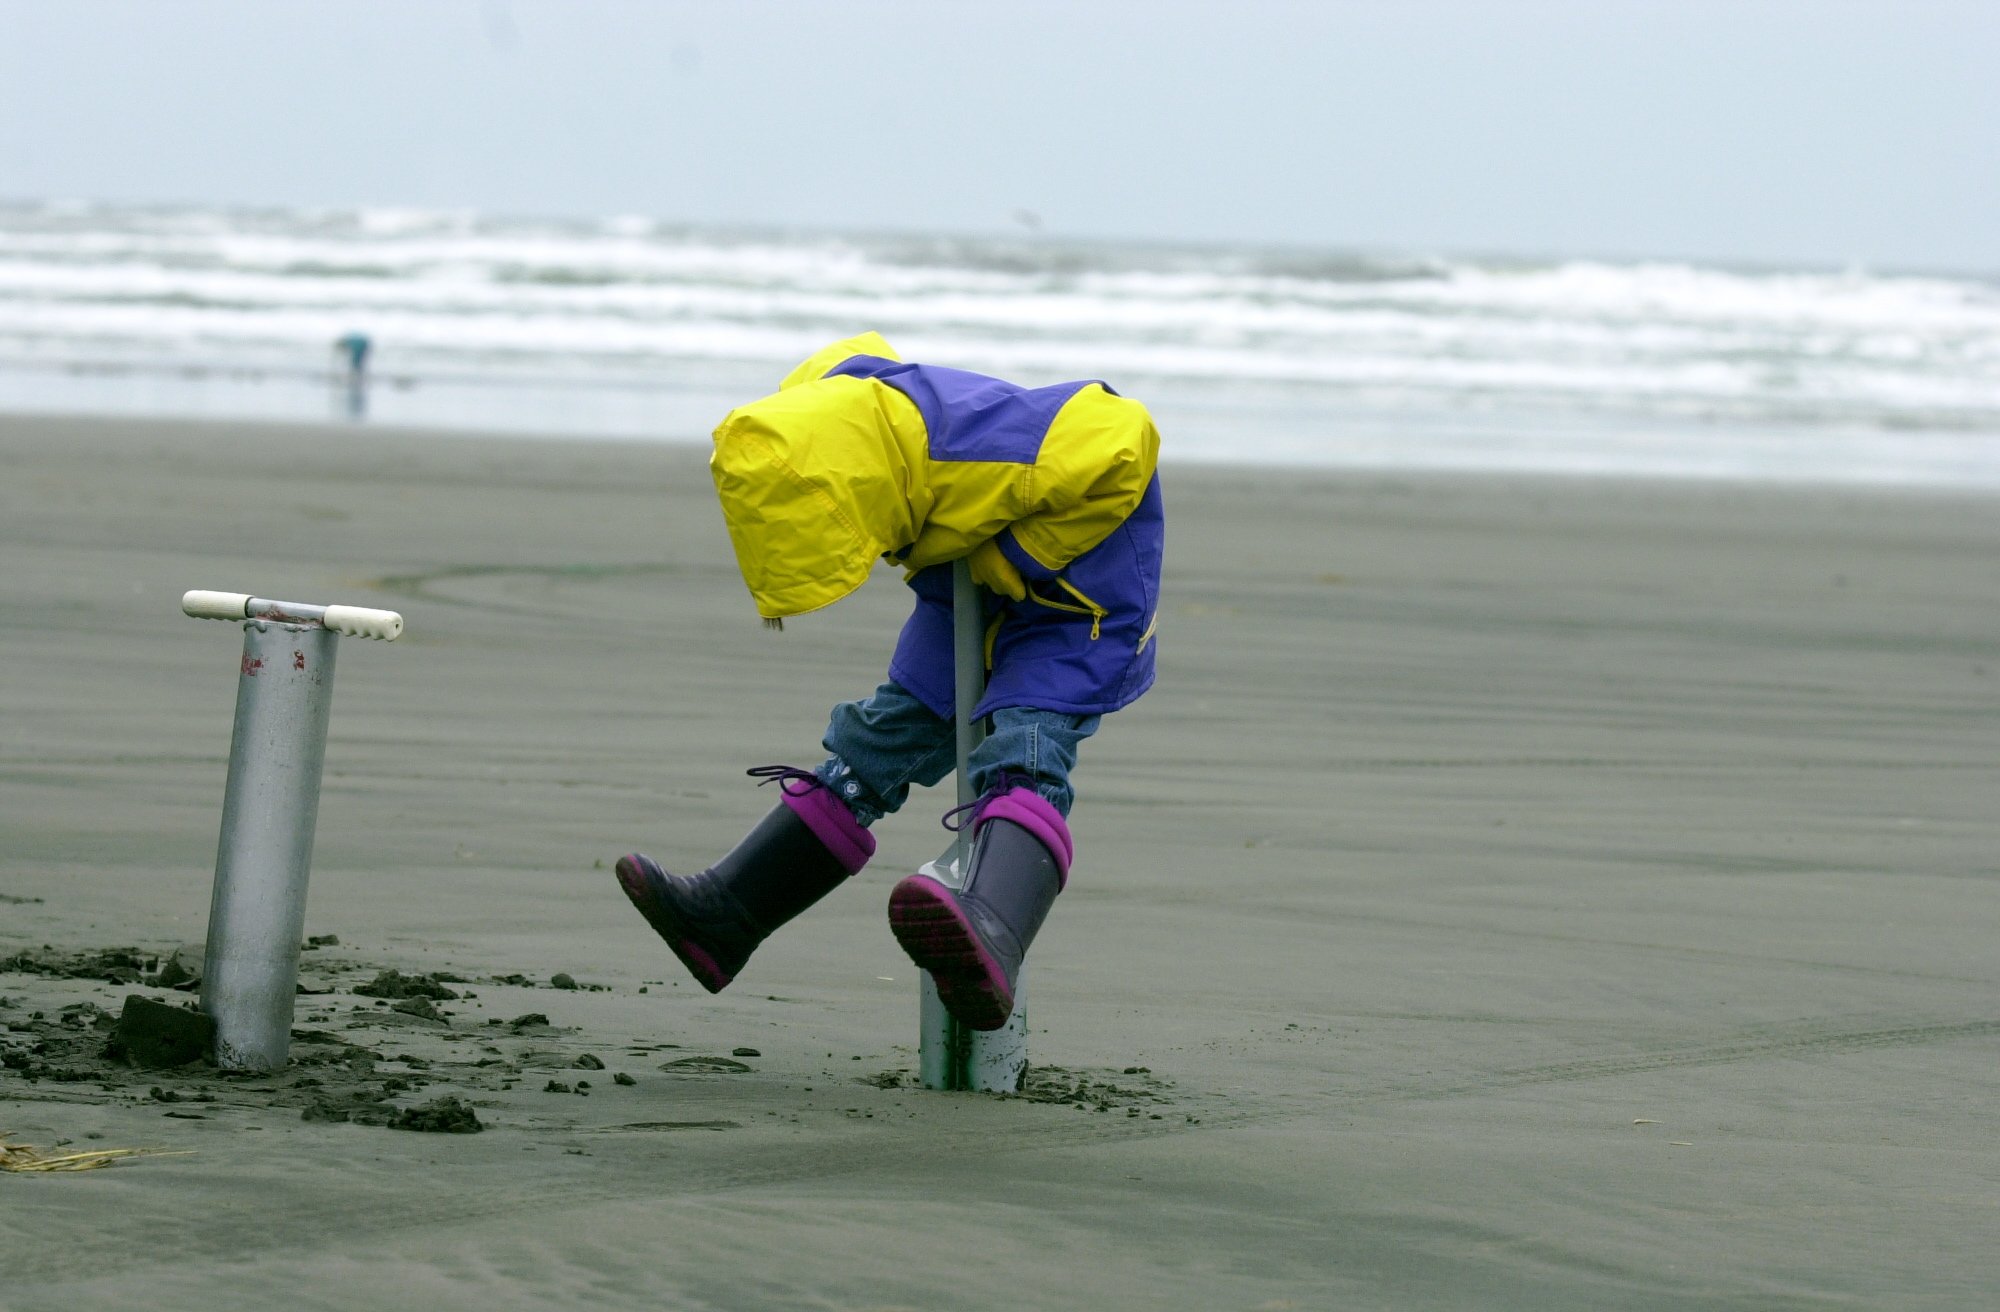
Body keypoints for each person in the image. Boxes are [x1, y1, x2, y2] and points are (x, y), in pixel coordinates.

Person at [614, 332, 1162, 1030]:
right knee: (884, 733)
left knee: (1027, 740)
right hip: (965, 571)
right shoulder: (846, 417)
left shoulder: (988, 449)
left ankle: (994, 928)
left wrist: (1020, 553)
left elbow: (1126, 439)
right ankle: (726, 917)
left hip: (1077, 593)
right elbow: (839, 368)